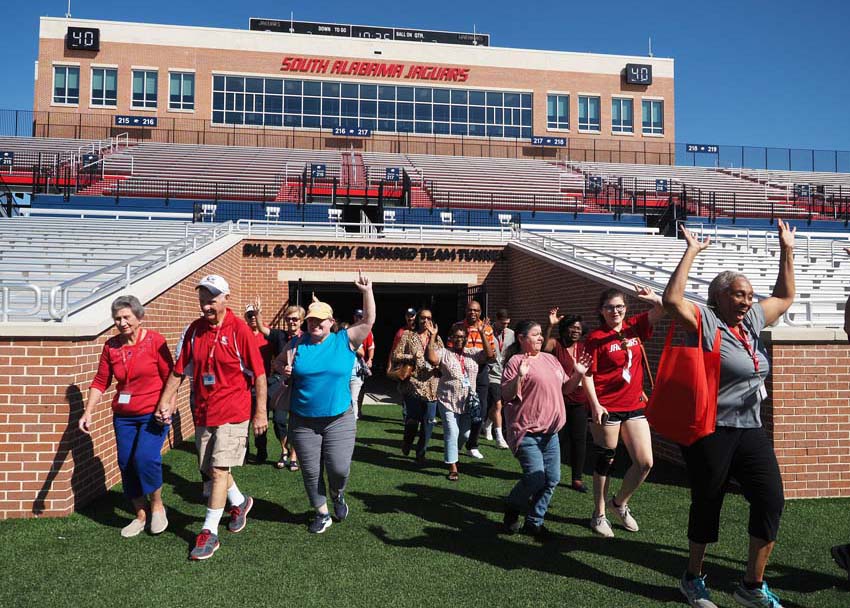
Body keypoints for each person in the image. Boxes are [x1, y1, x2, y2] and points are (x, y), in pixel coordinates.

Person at [664, 221, 795, 608]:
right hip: (711, 429)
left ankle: (752, 585)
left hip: (750, 428)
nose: (747, 301)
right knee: (708, 501)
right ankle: (692, 577)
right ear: (719, 297)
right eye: (739, 294)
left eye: (750, 296)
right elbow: (672, 301)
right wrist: (690, 251)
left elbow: (785, 297)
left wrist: (787, 249)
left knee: (771, 499)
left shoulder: (752, 321)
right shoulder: (706, 320)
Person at [156, 274, 268, 560]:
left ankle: (209, 532)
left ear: (226, 299)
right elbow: (179, 370)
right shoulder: (195, 330)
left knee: (218, 470)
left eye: (212, 300)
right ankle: (240, 503)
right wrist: (165, 401)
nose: (206, 306)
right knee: (210, 467)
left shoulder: (240, 330)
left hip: (234, 412)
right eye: (203, 300)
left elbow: (259, 375)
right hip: (204, 412)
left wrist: (260, 413)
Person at [276, 271, 375, 534]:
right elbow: (277, 363)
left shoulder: (345, 340)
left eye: (320, 320)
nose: (314, 324)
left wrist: (367, 292)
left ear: (331, 321)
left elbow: (368, 320)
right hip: (303, 420)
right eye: (311, 320)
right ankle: (322, 513)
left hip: (339, 419)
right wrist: (284, 370)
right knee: (310, 471)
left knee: (339, 468)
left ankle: (337, 493)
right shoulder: (297, 343)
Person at [80, 295, 174, 537]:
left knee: (144, 458)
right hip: (124, 416)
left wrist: (169, 406)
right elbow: (101, 381)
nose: (121, 323)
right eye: (117, 318)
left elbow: (171, 378)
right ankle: (140, 515)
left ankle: (157, 505)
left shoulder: (155, 341)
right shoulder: (111, 346)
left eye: (126, 317)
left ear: (139, 317)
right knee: (125, 462)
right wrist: (88, 411)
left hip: (153, 414)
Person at [583, 284, 665, 538]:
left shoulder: (634, 327)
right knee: (605, 461)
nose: (615, 311)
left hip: (633, 405)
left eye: (619, 306)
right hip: (607, 406)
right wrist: (595, 404)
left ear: (626, 308)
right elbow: (587, 373)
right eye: (610, 307)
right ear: (601, 311)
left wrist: (654, 298)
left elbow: (663, 309)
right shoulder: (595, 338)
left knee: (644, 463)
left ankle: (618, 503)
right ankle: (598, 514)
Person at [501, 320, 590, 537]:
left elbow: (566, 388)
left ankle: (534, 522)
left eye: (541, 334)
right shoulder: (515, 361)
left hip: (551, 433)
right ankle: (512, 507)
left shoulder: (551, 359)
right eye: (536, 334)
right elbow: (506, 395)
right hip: (526, 431)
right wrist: (520, 376)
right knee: (535, 477)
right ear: (522, 339)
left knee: (552, 479)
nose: (541, 338)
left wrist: (578, 373)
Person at [426, 318, 495, 481]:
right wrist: (433, 336)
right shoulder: (444, 352)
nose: (459, 339)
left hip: (467, 401)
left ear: (466, 338)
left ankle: (453, 453)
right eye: (456, 336)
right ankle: (453, 467)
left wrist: (482, 334)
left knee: (465, 435)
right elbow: (432, 359)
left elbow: (490, 355)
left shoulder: (472, 353)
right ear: (451, 337)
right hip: (447, 399)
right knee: (452, 431)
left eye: (462, 337)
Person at [544, 309, 590, 493]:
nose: (576, 331)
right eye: (572, 327)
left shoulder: (584, 347)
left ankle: (577, 478)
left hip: (579, 401)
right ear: (564, 329)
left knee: (579, 440)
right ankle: (548, 473)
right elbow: (542, 346)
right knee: (557, 439)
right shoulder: (556, 344)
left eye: (579, 328)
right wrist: (550, 325)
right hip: (559, 399)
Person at [255, 302, 303, 471]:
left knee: (297, 422)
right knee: (279, 420)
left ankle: (294, 455)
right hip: (281, 382)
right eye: (289, 319)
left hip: (301, 384)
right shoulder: (279, 336)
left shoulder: (308, 338)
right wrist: (258, 313)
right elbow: (262, 328)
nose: (292, 322)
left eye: (295, 319)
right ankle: (284, 449)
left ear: (302, 321)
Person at [391, 308, 444, 464]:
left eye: (429, 318)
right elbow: (396, 355)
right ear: (418, 319)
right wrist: (412, 357)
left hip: (432, 384)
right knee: (413, 420)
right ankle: (408, 441)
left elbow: (442, 357)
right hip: (413, 383)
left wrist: (433, 338)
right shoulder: (408, 336)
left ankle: (421, 453)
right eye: (422, 318)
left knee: (428, 422)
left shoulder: (437, 338)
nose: (425, 321)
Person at [451, 300, 496, 459]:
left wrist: (482, 333)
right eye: (470, 310)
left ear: (480, 312)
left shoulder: (487, 329)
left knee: (482, 409)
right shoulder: (457, 326)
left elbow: (491, 355)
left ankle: (473, 444)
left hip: (481, 370)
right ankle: (457, 438)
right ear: (465, 310)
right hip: (462, 370)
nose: (472, 313)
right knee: (460, 406)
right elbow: (451, 349)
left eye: (476, 310)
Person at [244, 303, 270, 464]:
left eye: (255, 314)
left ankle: (261, 451)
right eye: (249, 315)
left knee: (260, 418)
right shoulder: (241, 333)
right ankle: (243, 452)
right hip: (244, 385)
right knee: (243, 420)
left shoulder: (266, 333)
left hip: (262, 385)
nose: (252, 317)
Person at [485, 308, 514, 449]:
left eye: (507, 323)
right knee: (497, 405)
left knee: (499, 404)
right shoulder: (487, 331)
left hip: (506, 375)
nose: (505, 326)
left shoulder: (511, 335)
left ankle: (487, 425)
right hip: (491, 374)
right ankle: (500, 437)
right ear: (496, 320)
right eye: (502, 323)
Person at [353, 308, 374, 418]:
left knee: (360, 388)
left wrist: (370, 359)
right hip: (350, 363)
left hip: (361, 365)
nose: (359, 319)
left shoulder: (368, 331)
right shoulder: (350, 330)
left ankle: (358, 410)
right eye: (357, 316)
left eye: (361, 317)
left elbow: (371, 347)